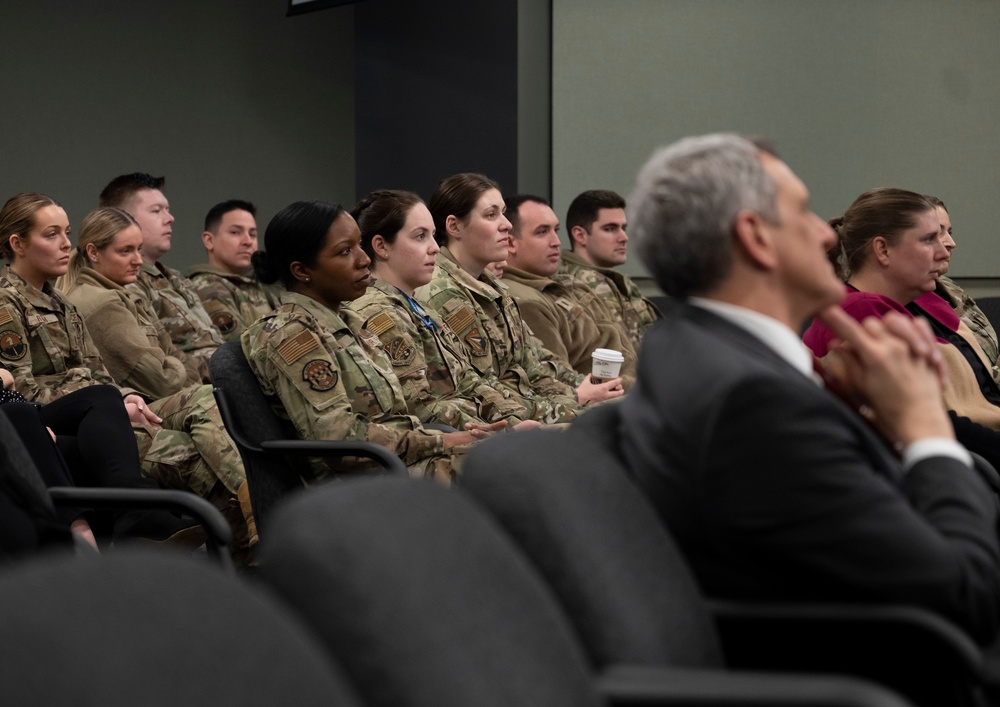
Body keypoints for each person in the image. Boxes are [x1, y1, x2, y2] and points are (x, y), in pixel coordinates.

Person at [619, 134, 1000, 644]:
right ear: (756, 237)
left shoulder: (691, 351)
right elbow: (962, 593)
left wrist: (861, 410)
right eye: (804, 212)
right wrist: (923, 426)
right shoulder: (755, 403)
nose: (826, 234)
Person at [0, 193, 206, 548]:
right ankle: (136, 513)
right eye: (51, 235)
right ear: (18, 244)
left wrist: (125, 398)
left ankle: (139, 530)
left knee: (108, 406)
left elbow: (97, 370)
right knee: (99, 398)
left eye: (66, 232)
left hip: (75, 411)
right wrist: (98, 395)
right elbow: (19, 385)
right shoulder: (5, 300)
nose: (67, 244)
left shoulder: (60, 302)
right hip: (26, 413)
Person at [243, 200, 500, 484]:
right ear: (302, 271)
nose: (364, 259)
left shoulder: (349, 321)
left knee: (517, 455)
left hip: (402, 461)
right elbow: (342, 444)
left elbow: (395, 417)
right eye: (344, 251)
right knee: (509, 470)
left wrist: (461, 436)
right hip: (362, 483)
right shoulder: (291, 334)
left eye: (359, 245)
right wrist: (444, 442)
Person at [59, 207, 249, 555]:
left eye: (138, 250)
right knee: (205, 403)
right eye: (125, 251)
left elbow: (172, 356)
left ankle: (249, 539)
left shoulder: (126, 293)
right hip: (137, 412)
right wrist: (179, 368)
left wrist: (177, 366)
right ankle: (255, 513)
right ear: (93, 253)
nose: (137, 260)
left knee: (212, 424)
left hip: (152, 406)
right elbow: (163, 378)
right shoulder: (100, 302)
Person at [802, 188, 1000, 469]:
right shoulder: (858, 314)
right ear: (883, 250)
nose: (945, 249)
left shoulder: (926, 300)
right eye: (929, 239)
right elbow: (928, 420)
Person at [416, 173, 620, 421]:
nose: (506, 224)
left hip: (530, 412)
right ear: (454, 226)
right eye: (491, 215)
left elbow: (534, 366)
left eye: (503, 213)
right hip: (499, 425)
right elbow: (481, 390)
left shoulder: (493, 288)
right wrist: (573, 404)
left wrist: (578, 394)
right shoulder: (441, 292)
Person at [349, 189, 536, 430]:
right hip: (441, 445)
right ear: (382, 246)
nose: (434, 248)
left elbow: (470, 383)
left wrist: (515, 418)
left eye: (433, 236)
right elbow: (422, 408)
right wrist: (503, 431)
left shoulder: (416, 307)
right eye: (420, 237)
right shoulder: (378, 313)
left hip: (469, 433)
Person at [502, 194, 637, 388]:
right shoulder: (526, 302)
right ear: (511, 243)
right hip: (613, 401)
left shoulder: (563, 284)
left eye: (555, 230)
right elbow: (561, 384)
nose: (556, 241)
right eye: (542, 232)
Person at [99, 173, 222, 383]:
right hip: (192, 386)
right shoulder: (126, 281)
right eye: (156, 211)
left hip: (219, 373)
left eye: (168, 209)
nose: (170, 218)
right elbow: (160, 359)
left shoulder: (173, 277)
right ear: (122, 220)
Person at [560, 189, 660, 348]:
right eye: (610, 229)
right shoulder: (581, 287)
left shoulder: (610, 282)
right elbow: (624, 354)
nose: (624, 238)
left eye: (623, 228)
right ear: (580, 235)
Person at [926, 196, 1000, 384]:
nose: (951, 243)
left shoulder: (948, 286)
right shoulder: (907, 298)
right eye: (934, 234)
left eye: (949, 232)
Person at [189, 200, 277, 341]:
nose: (248, 241)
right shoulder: (207, 286)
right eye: (235, 232)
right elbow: (242, 345)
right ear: (209, 240)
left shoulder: (261, 286)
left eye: (253, 234)